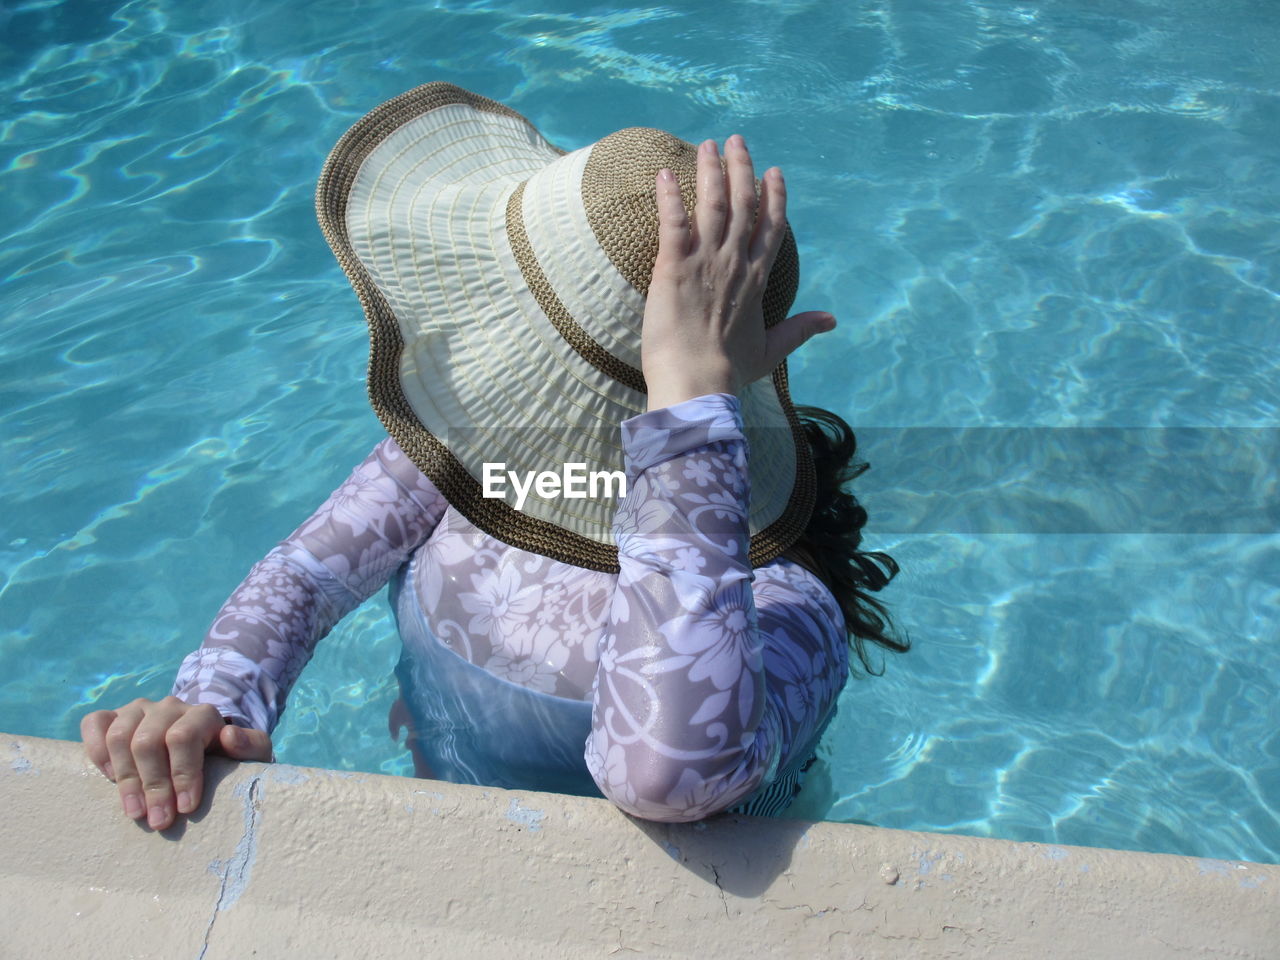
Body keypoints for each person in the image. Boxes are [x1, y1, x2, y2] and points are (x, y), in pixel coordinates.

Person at [80, 83, 907, 830]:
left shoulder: (784, 607)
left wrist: (688, 406)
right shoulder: (486, 452)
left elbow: (666, 776)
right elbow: (306, 575)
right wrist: (211, 707)